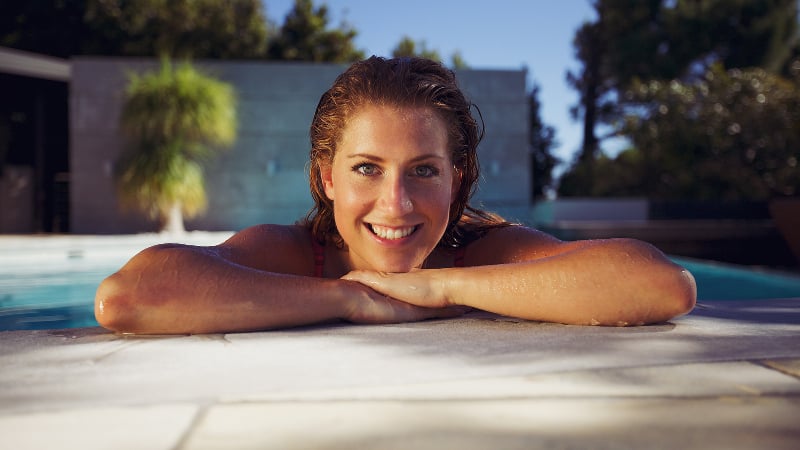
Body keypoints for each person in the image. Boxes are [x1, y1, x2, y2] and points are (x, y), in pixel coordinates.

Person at [95, 56, 696, 335]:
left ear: (457, 179)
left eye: (424, 172)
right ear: (327, 178)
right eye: (366, 168)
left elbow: (661, 285)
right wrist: (352, 299)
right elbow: (128, 297)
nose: (397, 203)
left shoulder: (480, 252)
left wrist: (438, 285)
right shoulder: (294, 254)